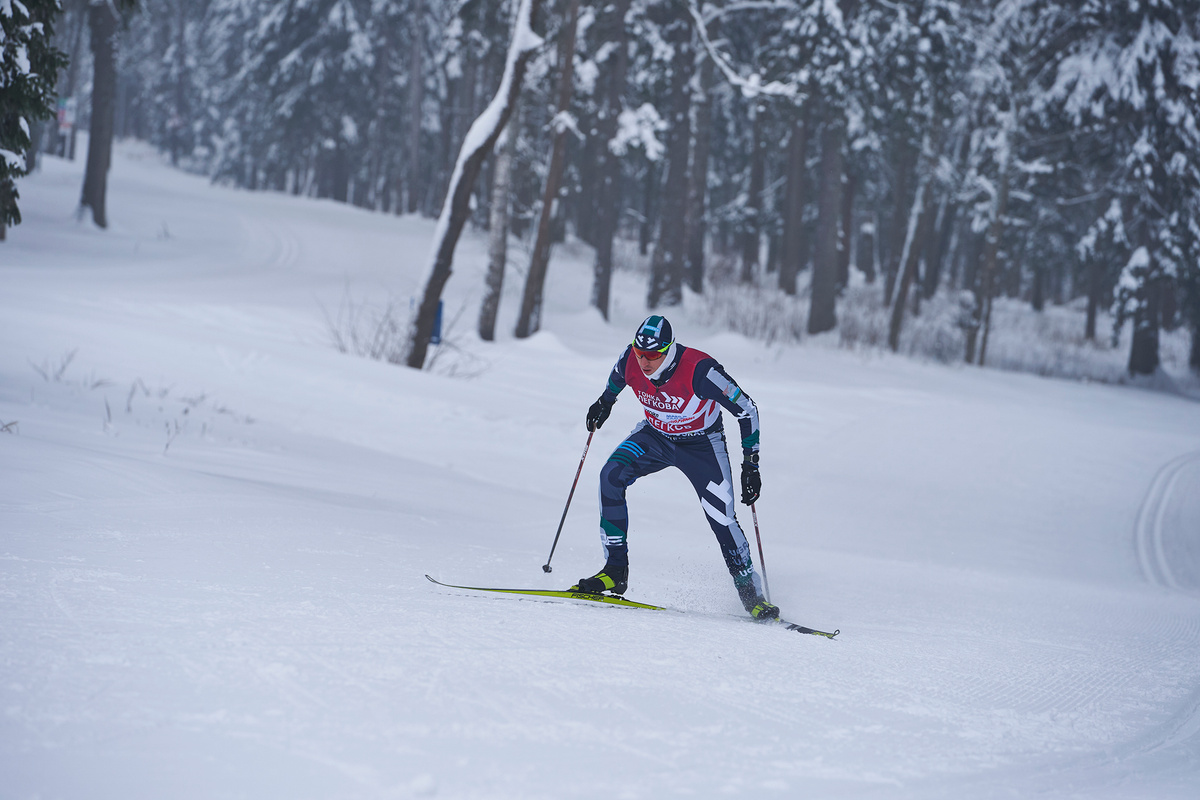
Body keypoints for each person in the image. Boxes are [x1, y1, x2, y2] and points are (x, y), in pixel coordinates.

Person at [571, 315, 779, 620]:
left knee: (721, 514)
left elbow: (747, 410)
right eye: (640, 353)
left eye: (653, 355)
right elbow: (617, 378)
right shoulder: (631, 359)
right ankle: (615, 570)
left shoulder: (701, 370)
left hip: (702, 445)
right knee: (611, 476)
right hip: (655, 437)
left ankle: (751, 594)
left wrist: (751, 465)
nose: (644, 361)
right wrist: (604, 402)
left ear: (668, 350)